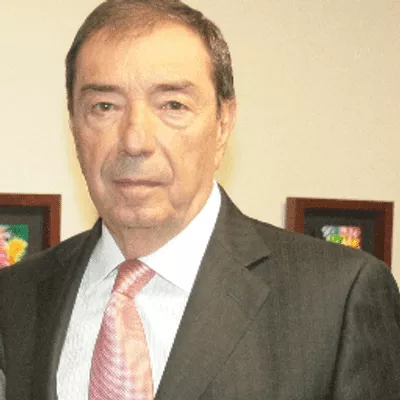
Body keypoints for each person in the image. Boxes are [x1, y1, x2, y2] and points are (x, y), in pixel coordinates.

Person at [1, 0, 400, 399]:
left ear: (223, 123)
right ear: (74, 124)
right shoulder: (16, 296)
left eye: (173, 105)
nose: (135, 141)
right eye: (104, 107)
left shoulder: (337, 298)